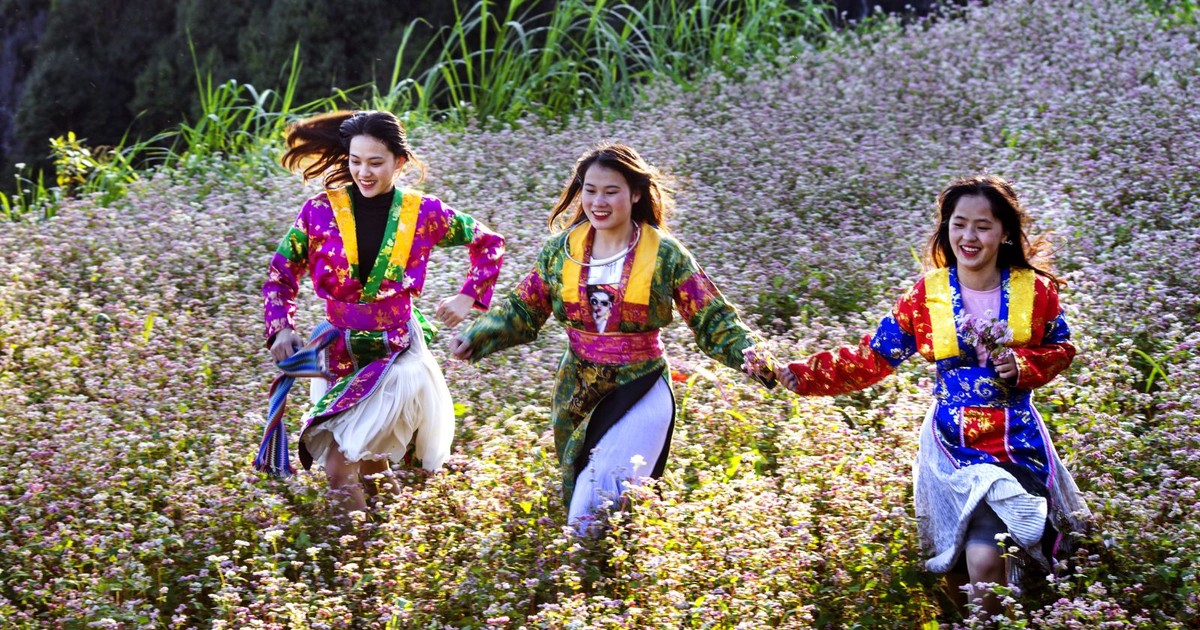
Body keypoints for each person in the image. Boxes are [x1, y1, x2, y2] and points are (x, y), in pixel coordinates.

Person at [778, 175, 1090, 617]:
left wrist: (1024, 366)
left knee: (992, 558)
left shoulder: (1033, 292)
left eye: (982, 226)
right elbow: (874, 356)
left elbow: (1062, 348)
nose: (968, 236)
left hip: (1016, 443)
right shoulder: (928, 295)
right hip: (951, 448)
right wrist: (803, 375)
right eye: (958, 224)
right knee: (967, 568)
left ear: (1004, 234)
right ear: (945, 229)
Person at [449, 142, 777, 534]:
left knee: (596, 501)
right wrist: (476, 336)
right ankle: (602, 583)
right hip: (576, 390)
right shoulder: (561, 251)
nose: (598, 202)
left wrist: (757, 359)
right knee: (592, 499)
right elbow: (523, 309)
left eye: (611, 191)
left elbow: (713, 319)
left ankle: (588, 576)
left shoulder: (666, 254)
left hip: (640, 385)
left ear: (636, 193)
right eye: (589, 190)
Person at [258, 110, 505, 516]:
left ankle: (354, 573)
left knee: (339, 466)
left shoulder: (422, 211)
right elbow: (280, 275)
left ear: (399, 162)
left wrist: (469, 297)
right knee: (370, 465)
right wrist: (280, 328)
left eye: (376, 162)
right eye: (356, 161)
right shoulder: (319, 210)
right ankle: (392, 551)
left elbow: (488, 243)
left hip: (395, 355)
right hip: (337, 355)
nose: (364, 172)